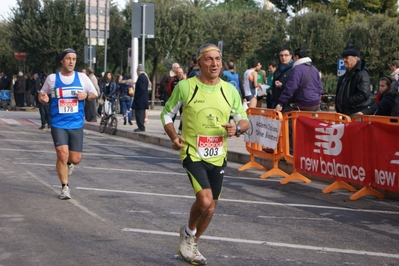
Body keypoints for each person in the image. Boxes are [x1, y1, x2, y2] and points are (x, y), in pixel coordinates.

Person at [160, 43, 249, 265]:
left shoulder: (229, 90)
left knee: (211, 207)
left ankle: (192, 243)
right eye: (208, 59)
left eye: (217, 58)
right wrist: (173, 137)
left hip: (218, 154)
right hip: (193, 152)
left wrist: (237, 128)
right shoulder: (186, 87)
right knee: (205, 199)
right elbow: (166, 114)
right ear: (199, 63)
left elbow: (244, 120)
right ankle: (189, 233)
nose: (214, 63)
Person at [38, 48, 98, 200]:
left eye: (74, 59)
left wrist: (86, 95)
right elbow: (42, 93)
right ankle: (65, 187)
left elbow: (95, 94)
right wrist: (42, 98)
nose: (71, 62)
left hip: (76, 123)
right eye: (68, 58)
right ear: (62, 61)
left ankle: (69, 164)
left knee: (75, 159)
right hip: (58, 122)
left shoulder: (82, 78)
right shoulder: (52, 78)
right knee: (62, 154)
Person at [275, 47, 323, 112]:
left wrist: (280, 103)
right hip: (315, 104)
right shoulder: (314, 69)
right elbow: (319, 87)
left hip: (302, 104)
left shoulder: (297, 69)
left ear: (296, 57)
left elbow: (290, 88)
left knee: (285, 116)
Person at [335, 48, 371, 117]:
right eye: (343, 58)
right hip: (345, 113)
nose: (344, 60)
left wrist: (346, 101)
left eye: (346, 58)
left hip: (355, 113)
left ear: (355, 58)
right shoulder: (346, 75)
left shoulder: (362, 74)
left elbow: (363, 94)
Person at [132, 64, 149, 132]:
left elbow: (141, 89)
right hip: (142, 99)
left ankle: (141, 126)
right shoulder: (144, 77)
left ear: (138, 71)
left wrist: (137, 96)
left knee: (139, 114)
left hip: (140, 99)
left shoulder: (141, 77)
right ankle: (140, 126)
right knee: (139, 113)